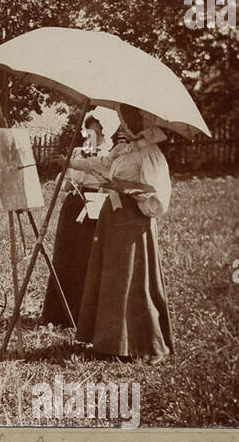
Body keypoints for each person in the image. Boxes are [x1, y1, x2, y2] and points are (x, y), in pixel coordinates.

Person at [68, 103, 174, 360]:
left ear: (140, 122)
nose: (124, 125)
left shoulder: (149, 153)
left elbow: (156, 195)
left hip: (133, 222)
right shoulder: (125, 149)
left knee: (132, 280)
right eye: (124, 121)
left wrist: (128, 189)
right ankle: (109, 342)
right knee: (112, 278)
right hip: (113, 219)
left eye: (127, 121)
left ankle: (145, 343)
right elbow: (102, 164)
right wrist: (70, 163)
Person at [40, 108, 117, 326]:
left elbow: (108, 178)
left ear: (105, 131)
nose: (90, 134)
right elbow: (64, 181)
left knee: (87, 256)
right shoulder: (76, 152)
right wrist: (65, 177)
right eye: (87, 129)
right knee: (66, 256)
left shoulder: (110, 153)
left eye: (95, 130)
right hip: (74, 204)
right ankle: (59, 313)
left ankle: (84, 312)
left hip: (96, 204)